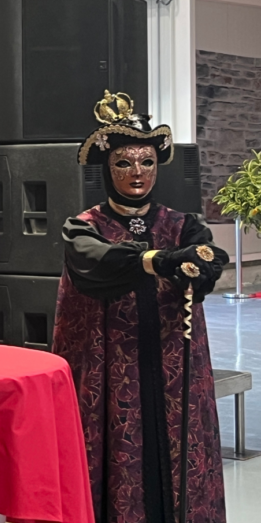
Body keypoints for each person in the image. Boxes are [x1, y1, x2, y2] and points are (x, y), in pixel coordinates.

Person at [53, 91, 227, 522]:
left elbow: (207, 258)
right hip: (115, 369)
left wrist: (200, 262)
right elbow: (96, 263)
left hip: (169, 364)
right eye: (124, 162)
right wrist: (156, 260)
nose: (137, 172)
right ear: (107, 168)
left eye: (146, 161)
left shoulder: (182, 224)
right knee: (122, 449)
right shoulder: (85, 228)